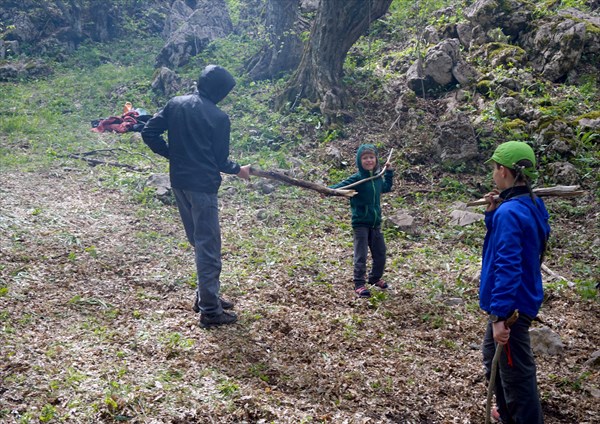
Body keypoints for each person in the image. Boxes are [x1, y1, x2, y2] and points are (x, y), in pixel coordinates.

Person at [141, 65, 251, 328]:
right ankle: (210, 312)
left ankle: (206, 296)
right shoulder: (219, 118)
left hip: (180, 182)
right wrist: (240, 170)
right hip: (202, 187)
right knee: (208, 246)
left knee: (199, 242)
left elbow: (149, 132)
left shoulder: (175, 104)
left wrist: (172, 155)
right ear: (220, 91)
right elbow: (220, 160)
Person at [479, 141, 550, 423]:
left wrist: (501, 315)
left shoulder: (511, 212)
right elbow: (509, 242)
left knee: (516, 373)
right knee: (491, 355)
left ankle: (523, 417)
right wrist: (493, 212)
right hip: (520, 298)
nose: (493, 176)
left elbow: (507, 265)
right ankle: (507, 412)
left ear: (504, 171)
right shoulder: (530, 204)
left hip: (512, 308)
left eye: (495, 169)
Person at [329, 144, 394, 298]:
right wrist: (327, 190)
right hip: (361, 223)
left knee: (380, 253)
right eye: (365, 158)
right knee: (361, 255)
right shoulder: (357, 178)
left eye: (371, 157)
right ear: (360, 161)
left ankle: (374, 278)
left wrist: (389, 173)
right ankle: (359, 284)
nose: (369, 160)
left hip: (375, 222)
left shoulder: (377, 177)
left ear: (376, 159)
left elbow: (386, 188)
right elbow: (341, 187)